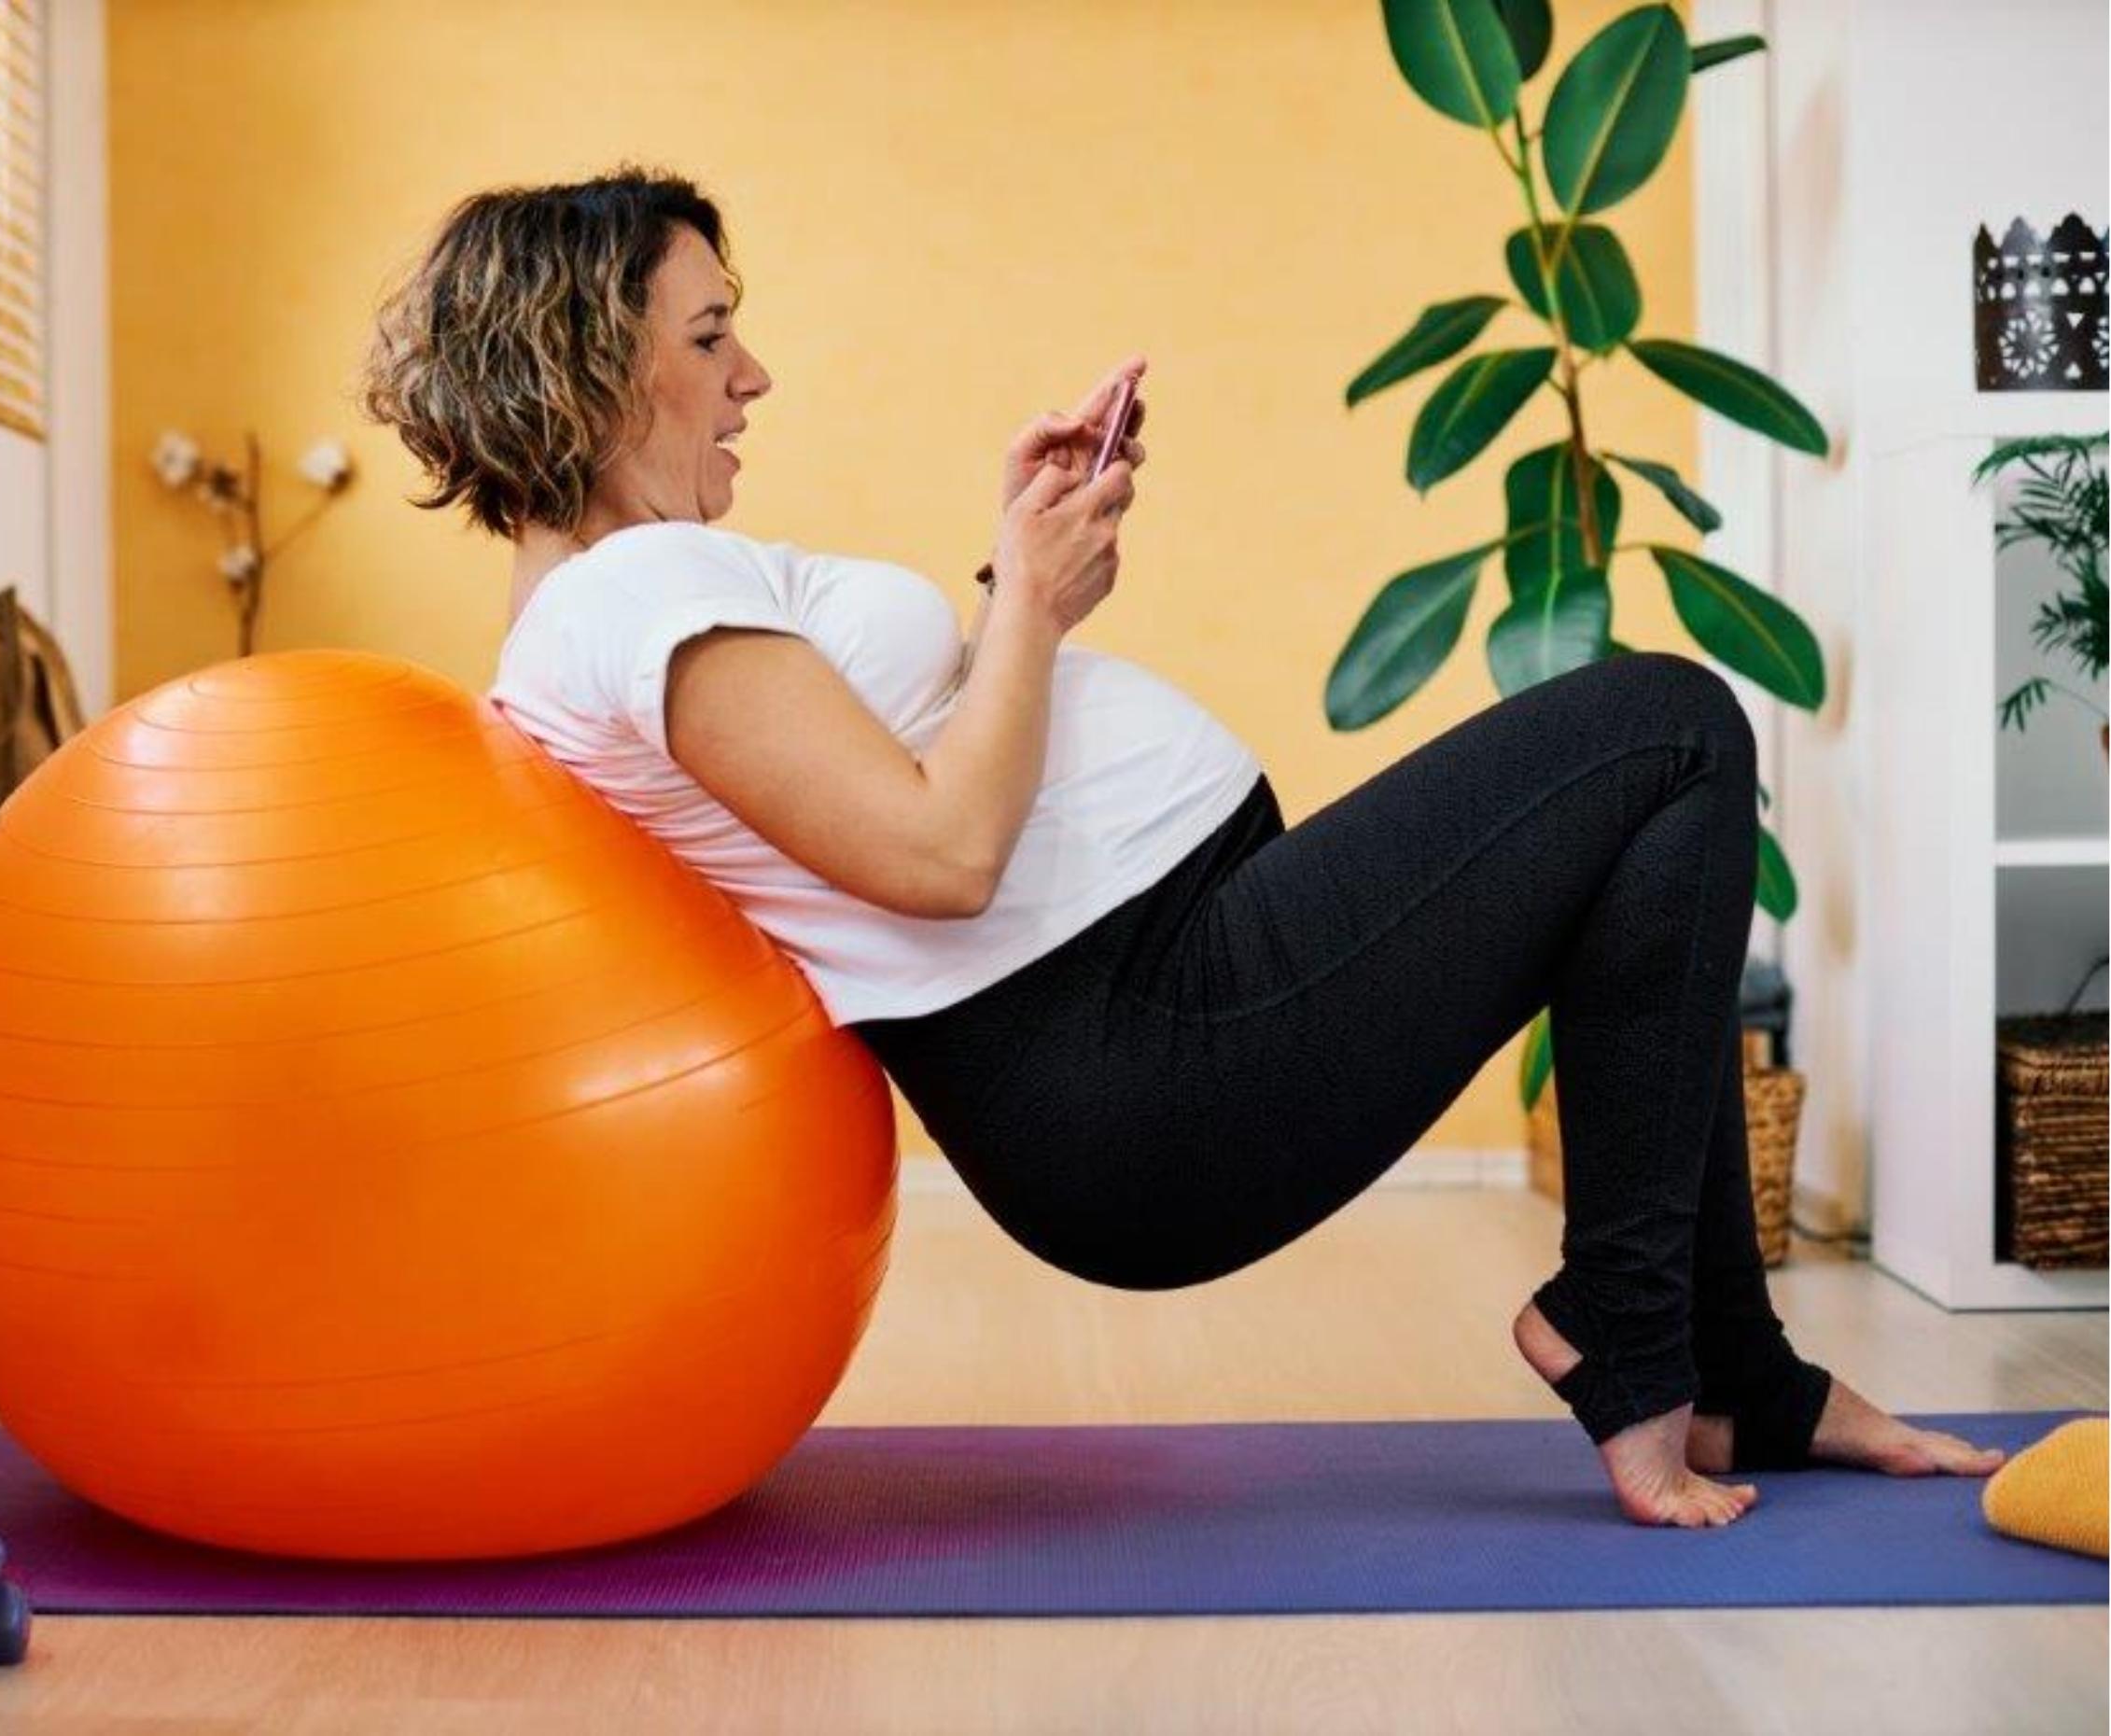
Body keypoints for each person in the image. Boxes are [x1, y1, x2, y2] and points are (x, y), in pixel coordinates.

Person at [356, 164, 2006, 1528]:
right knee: (1667, 732)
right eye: (709, 333)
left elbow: (895, 774)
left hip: (1160, 1007)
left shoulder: (616, 611)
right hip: (1137, 1058)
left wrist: (1019, 566)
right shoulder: (632, 601)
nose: (752, 374)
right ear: (578, 365)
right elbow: (935, 857)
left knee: (1653, 801)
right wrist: (1039, 611)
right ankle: (1641, 1346)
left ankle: (1730, 1379)